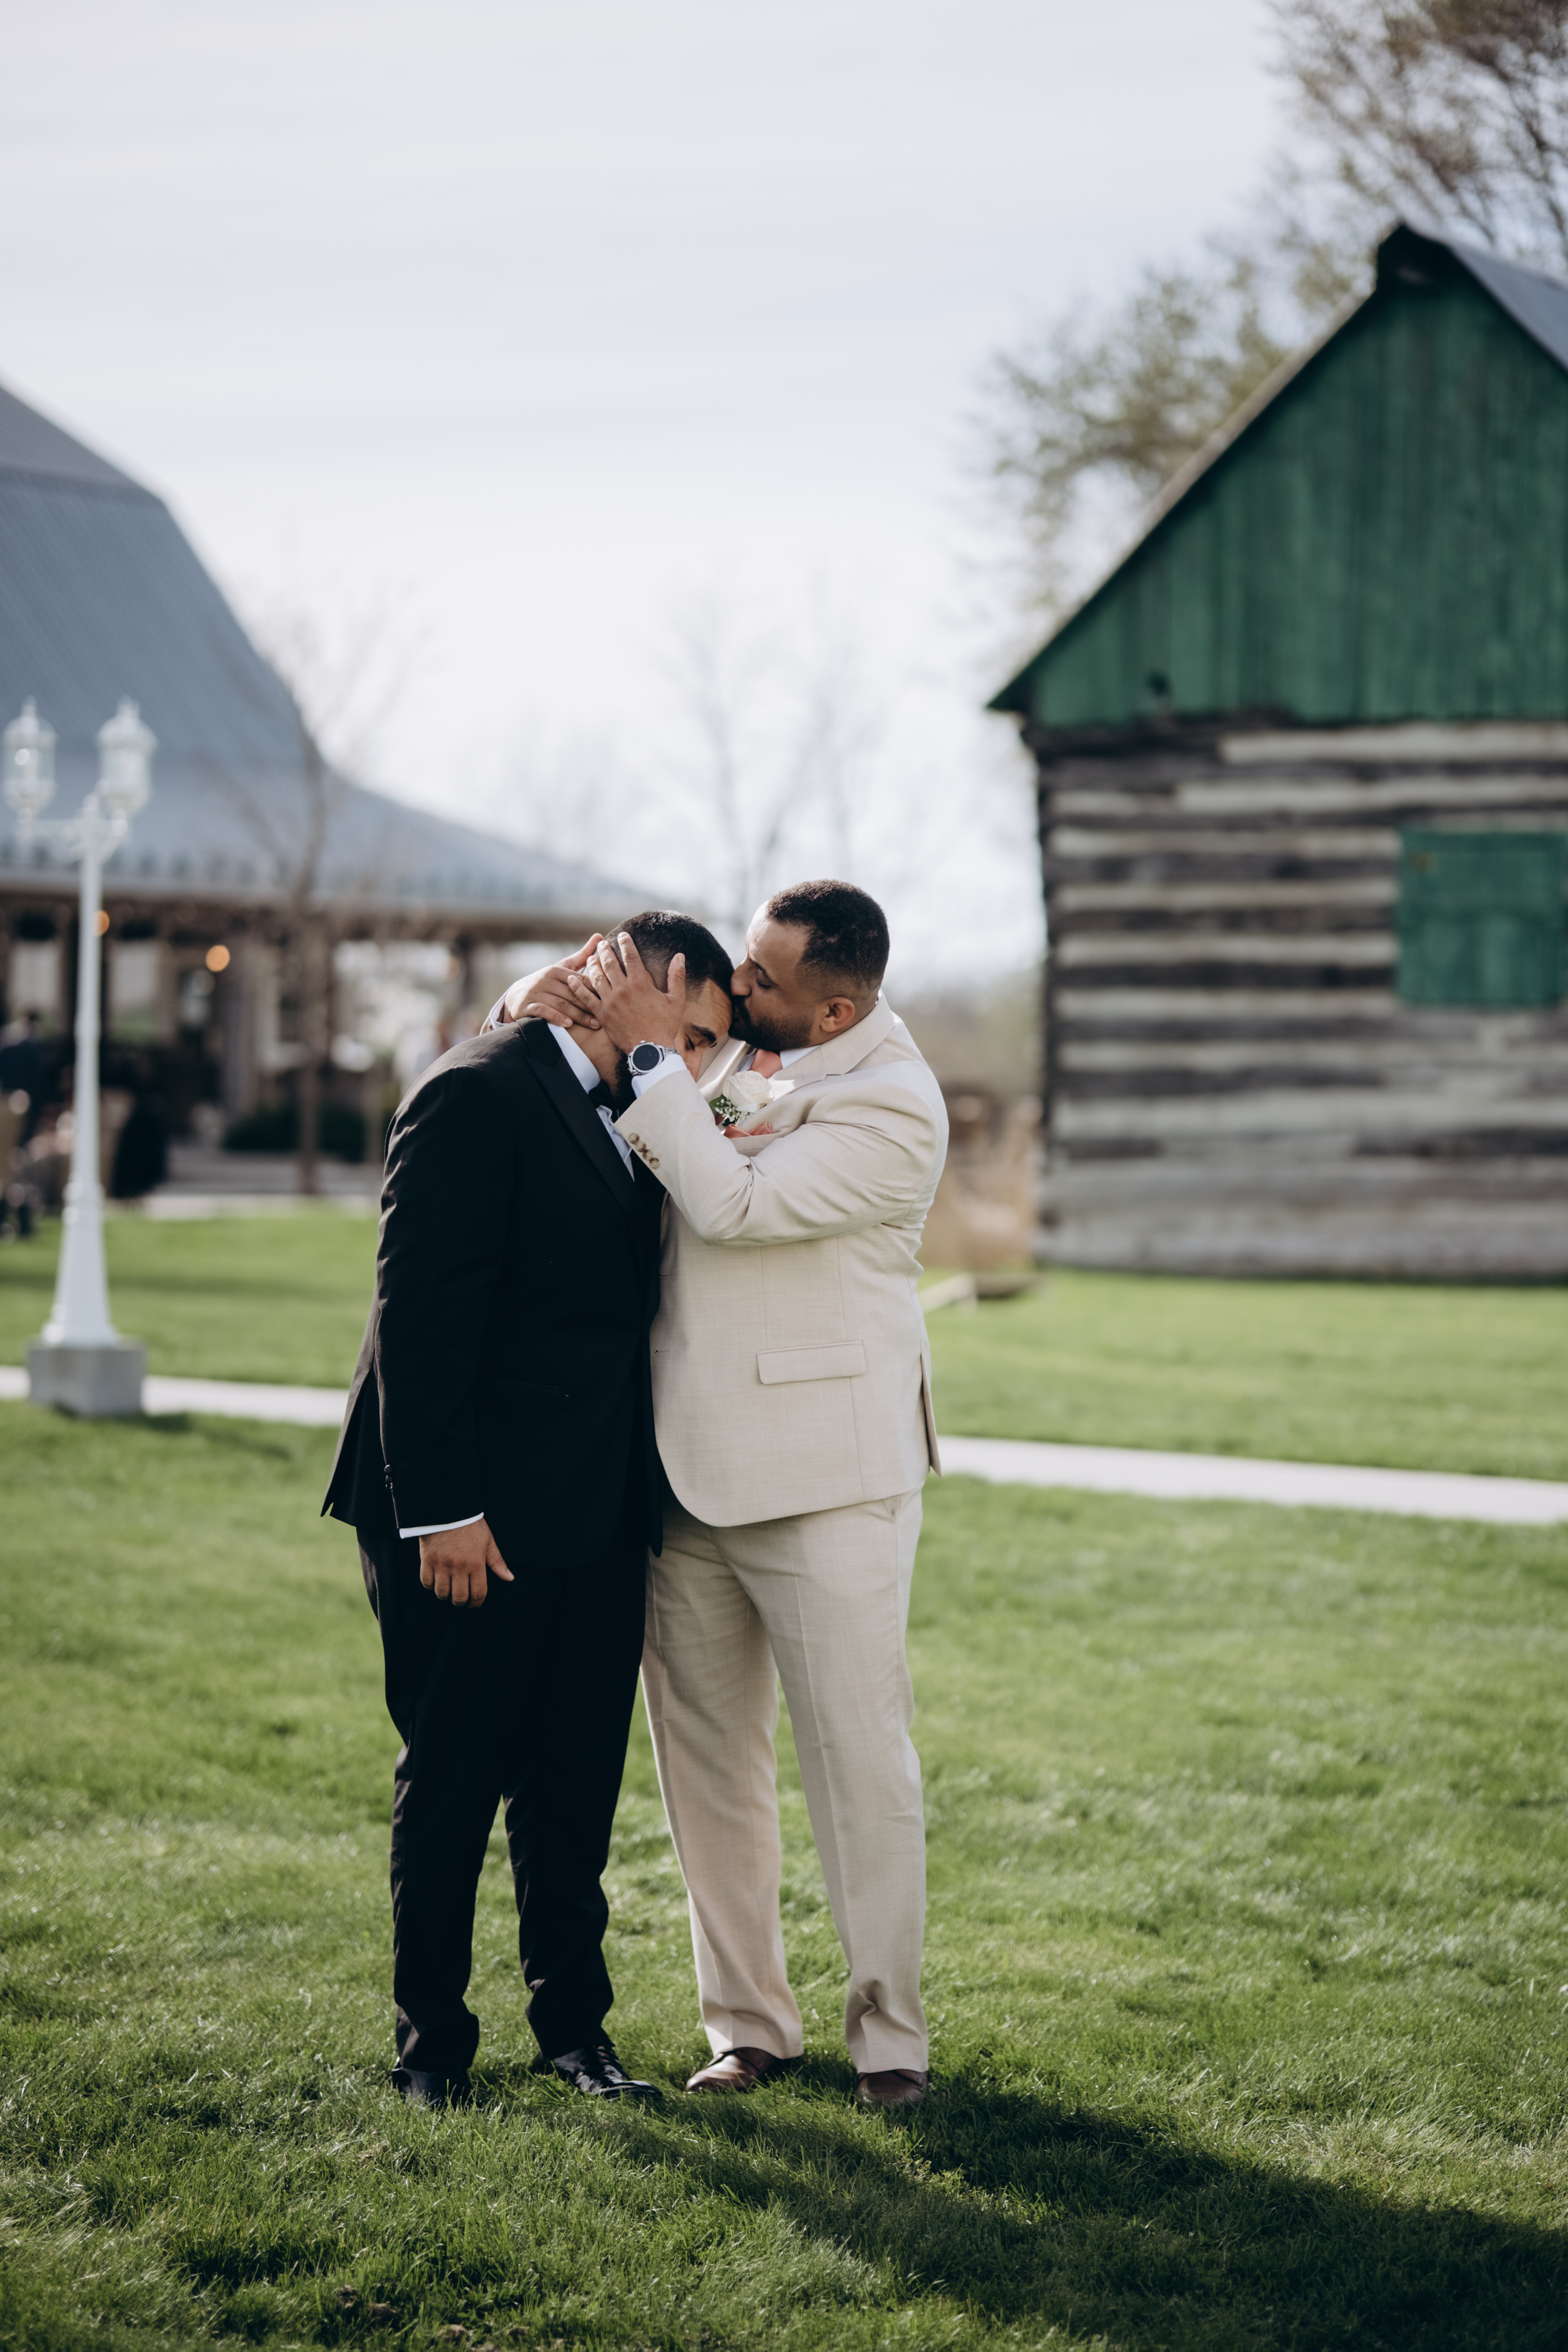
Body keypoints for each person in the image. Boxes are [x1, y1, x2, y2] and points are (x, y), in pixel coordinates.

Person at [498, 882, 948, 2108]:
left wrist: (652, 1054)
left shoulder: (893, 1104)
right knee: (707, 1771)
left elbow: (733, 1206)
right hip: (677, 1468)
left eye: (764, 980)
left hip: (827, 1480)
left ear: (835, 1009)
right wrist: (533, 1004)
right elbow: (618, 1115)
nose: (737, 989)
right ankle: (748, 2024)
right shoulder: (740, 1055)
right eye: (744, 963)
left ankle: (889, 2038)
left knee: (858, 1767)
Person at [322, 908, 734, 2108]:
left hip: (597, 1503)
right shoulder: (474, 1090)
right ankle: (432, 2049)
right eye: (692, 1032)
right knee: (454, 1774)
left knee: (573, 1785)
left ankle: (576, 2035)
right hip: (469, 1508)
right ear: (630, 978)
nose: (696, 1063)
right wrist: (441, 1508)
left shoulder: (647, 1106)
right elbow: (420, 1317)